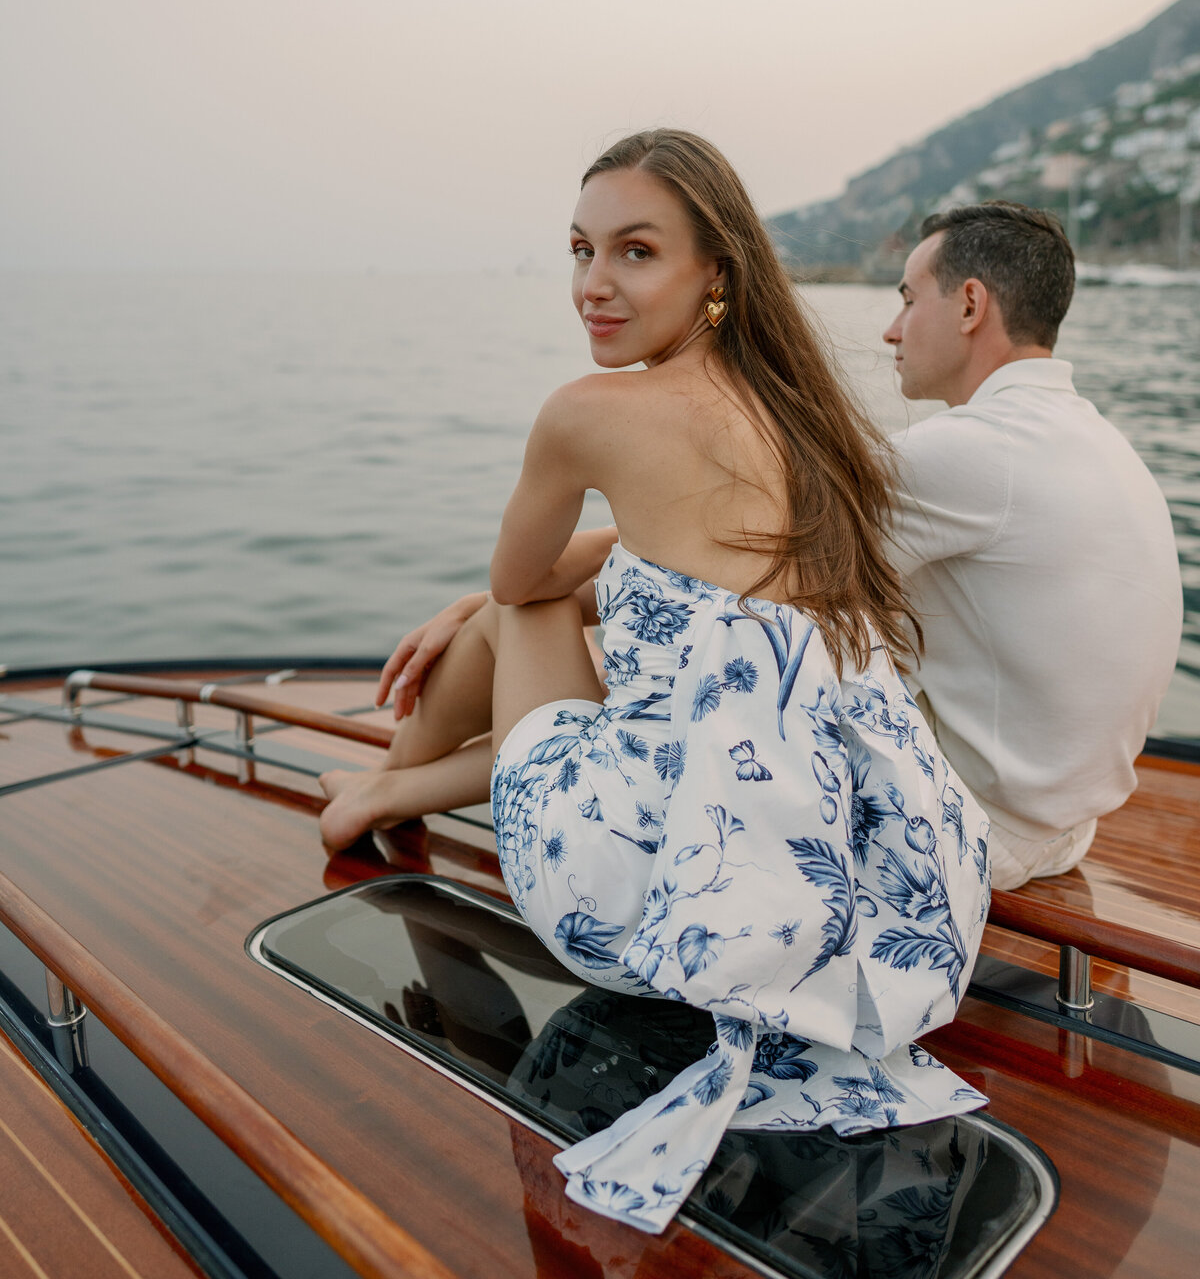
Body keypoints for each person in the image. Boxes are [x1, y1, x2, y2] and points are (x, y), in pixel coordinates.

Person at [322, 130, 989, 1234]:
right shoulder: (799, 411)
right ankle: (390, 788)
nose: (593, 284)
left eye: (635, 252)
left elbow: (519, 580)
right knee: (548, 629)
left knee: (509, 612)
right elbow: (669, 551)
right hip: (846, 913)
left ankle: (384, 789)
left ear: (713, 271)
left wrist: (486, 598)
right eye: (581, 249)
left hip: (629, 915)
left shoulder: (589, 410)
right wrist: (579, 562)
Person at [881, 202, 1183, 892]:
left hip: (979, 828)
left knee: (762, 623)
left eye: (907, 298)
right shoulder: (1102, 442)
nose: (892, 329)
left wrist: (580, 581)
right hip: (1067, 822)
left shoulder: (972, 449)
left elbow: (757, 552)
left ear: (968, 305)